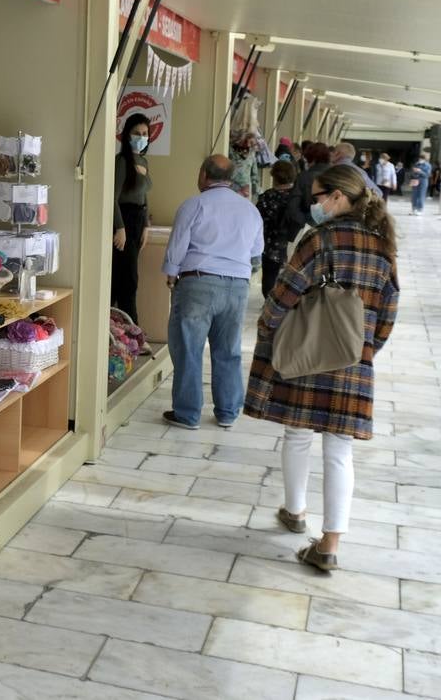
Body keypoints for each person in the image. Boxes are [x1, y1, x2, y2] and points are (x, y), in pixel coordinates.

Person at [245, 165, 400, 572]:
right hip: (352, 358)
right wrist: (365, 348)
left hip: (308, 352)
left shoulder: (321, 240)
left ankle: (295, 511)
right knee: (339, 450)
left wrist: (267, 329)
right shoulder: (384, 246)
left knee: (296, 433)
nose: (313, 204)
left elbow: (285, 292)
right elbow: (388, 311)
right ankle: (329, 544)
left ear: (337, 197)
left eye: (317, 197)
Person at [161, 155, 264, 430]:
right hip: (238, 287)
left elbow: (178, 246)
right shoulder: (249, 210)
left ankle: (188, 413)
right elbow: (256, 251)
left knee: (188, 349)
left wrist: (171, 275)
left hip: (198, 283)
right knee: (228, 350)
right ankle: (228, 412)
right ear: (230, 178)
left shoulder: (194, 205)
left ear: (203, 174)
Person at [112, 114, 154, 324]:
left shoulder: (144, 161)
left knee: (127, 277)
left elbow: (144, 196)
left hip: (138, 222)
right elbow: (113, 197)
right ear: (127, 134)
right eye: (137, 133)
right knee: (127, 279)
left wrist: (146, 226)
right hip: (124, 220)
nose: (141, 137)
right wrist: (120, 228)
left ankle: (122, 329)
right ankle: (133, 330)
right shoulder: (121, 162)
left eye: (145, 134)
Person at [256, 160, 297, 298]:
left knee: (269, 278)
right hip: (293, 244)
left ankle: (269, 306)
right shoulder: (297, 197)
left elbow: (257, 219)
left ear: (274, 177)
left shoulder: (267, 197)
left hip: (270, 246)